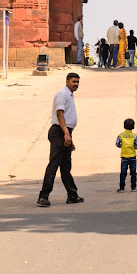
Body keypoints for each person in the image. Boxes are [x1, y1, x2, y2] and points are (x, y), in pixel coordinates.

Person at [37, 72, 84, 207]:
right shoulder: (62, 94)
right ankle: (43, 196)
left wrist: (69, 137)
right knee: (53, 165)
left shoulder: (69, 94)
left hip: (65, 133)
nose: (76, 84)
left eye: (77, 82)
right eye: (73, 81)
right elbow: (60, 114)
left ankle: (72, 195)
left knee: (65, 167)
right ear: (67, 81)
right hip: (59, 132)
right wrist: (66, 134)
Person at [116, 117, 137, 191]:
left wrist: (122, 146)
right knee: (133, 173)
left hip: (124, 157)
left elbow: (117, 143)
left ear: (124, 126)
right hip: (132, 156)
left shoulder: (121, 135)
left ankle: (122, 188)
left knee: (123, 173)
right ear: (133, 126)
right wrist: (133, 147)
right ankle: (133, 187)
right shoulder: (134, 136)